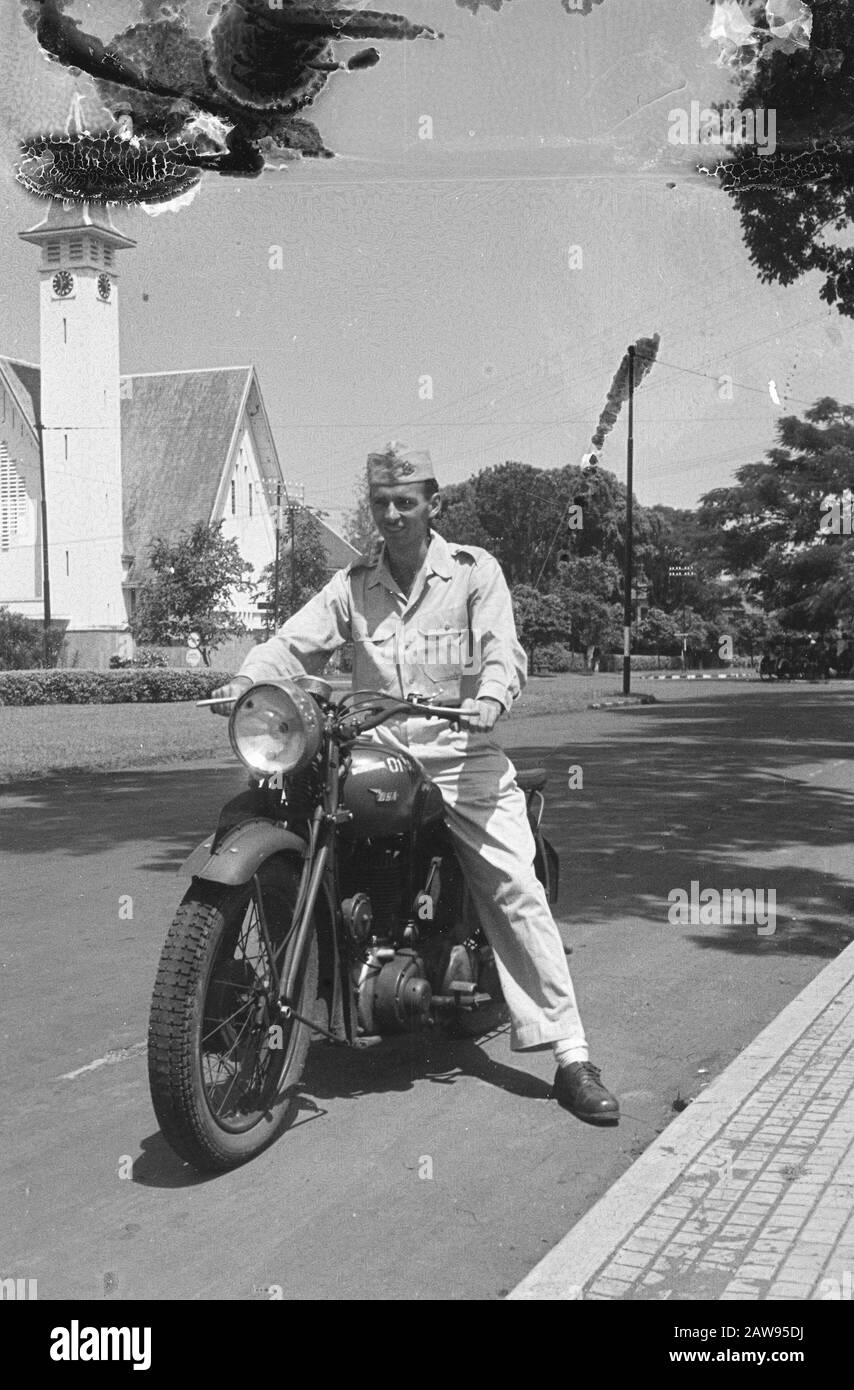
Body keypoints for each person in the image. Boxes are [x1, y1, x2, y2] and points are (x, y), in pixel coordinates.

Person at [210, 442, 619, 1126]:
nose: (393, 515)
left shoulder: (471, 572)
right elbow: (289, 643)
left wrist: (492, 693)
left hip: (459, 747)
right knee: (259, 805)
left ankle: (571, 1053)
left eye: (407, 501)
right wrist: (250, 678)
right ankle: (256, 981)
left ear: (434, 504)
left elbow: (501, 649)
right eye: (381, 503)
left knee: (513, 885)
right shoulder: (352, 584)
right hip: (375, 745)